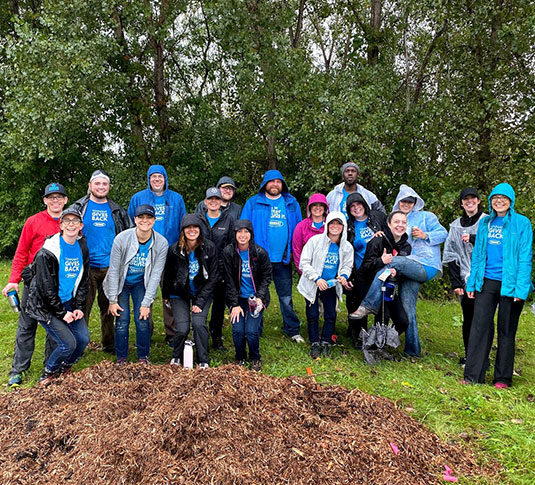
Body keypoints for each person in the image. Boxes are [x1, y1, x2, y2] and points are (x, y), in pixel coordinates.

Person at [351, 185, 448, 357]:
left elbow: (443, 233)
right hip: (407, 267)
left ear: (416, 202)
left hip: (425, 265)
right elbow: (392, 240)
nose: (407, 203)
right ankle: (412, 350)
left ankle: (368, 305)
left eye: (411, 201)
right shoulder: (398, 219)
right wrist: (379, 233)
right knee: (408, 309)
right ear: (398, 202)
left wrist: (426, 235)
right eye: (404, 200)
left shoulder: (427, 216)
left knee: (390, 263)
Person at [463, 183, 532, 389]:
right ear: (491, 201)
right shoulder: (485, 223)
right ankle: (473, 375)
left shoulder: (522, 223)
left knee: (506, 329)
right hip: (487, 281)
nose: (499, 201)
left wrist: (521, 288)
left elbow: (525, 256)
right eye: (495, 197)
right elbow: (477, 255)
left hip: (511, 283)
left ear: (510, 201)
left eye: (503, 198)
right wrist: (473, 282)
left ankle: (502, 378)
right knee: (479, 327)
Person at [3, 182, 67, 388]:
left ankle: (51, 367)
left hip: (57, 284)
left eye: (59, 197)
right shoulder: (34, 221)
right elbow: (22, 252)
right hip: (34, 281)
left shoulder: (71, 222)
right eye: (51, 197)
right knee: (26, 326)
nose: (55, 201)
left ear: (66, 200)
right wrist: (14, 279)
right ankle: (18, 369)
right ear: (45, 201)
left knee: (54, 327)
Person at [24, 208, 90, 386]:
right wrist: (62, 313)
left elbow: (83, 280)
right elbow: (46, 289)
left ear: (81, 226)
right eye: (66, 221)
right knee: (68, 344)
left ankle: (65, 368)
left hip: (68, 301)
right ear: (60, 225)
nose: (71, 224)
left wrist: (78, 307)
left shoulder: (82, 247)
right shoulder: (48, 251)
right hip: (46, 305)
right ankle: (48, 372)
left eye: (75, 221)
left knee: (83, 339)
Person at [70, 170, 132, 353]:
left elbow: (127, 235)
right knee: (82, 307)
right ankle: (79, 345)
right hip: (85, 266)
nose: (101, 187)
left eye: (104, 184)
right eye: (97, 184)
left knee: (109, 308)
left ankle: (109, 344)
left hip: (110, 266)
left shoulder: (117, 210)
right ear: (90, 186)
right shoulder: (78, 208)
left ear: (109, 187)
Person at [241, 170, 304, 342]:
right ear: (265, 184)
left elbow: (298, 231)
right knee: (256, 296)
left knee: (285, 297)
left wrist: (293, 253)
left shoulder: (291, 203)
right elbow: (243, 229)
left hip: (283, 259)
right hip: (259, 259)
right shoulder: (253, 203)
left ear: (282, 184)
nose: (275, 184)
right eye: (271, 181)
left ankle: (292, 329)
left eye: (278, 181)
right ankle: (255, 329)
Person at [128, 165, 187, 344]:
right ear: (148, 179)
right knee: (145, 292)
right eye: (153, 176)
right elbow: (130, 223)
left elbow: (183, 225)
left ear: (165, 179)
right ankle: (146, 330)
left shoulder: (176, 199)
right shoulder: (138, 198)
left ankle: (172, 333)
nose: (156, 180)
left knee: (169, 294)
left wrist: (181, 249)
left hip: (170, 254)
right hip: (145, 254)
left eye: (160, 177)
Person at [103, 205, 168, 364]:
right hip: (121, 282)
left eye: (149, 218)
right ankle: (121, 358)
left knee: (142, 318)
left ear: (154, 220)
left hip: (141, 282)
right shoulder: (122, 239)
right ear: (135, 219)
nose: (144, 221)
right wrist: (112, 300)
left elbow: (155, 275)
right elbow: (114, 270)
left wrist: (147, 303)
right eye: (141, 217)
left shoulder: (161, 243)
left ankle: (143, 357)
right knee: (122, 319)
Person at [162, 213, 219, 368]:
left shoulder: (209, 248)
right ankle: (176, 357)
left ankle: (203, 360)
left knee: (199, 324)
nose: (192, 230)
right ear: (183, 230)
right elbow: (168, 275)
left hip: (202, 292)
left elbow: (213, 277)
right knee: (182, 328)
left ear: (200, 229)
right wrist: (166, 295)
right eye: (188, 227)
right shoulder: (174, 250)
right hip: (179, 293)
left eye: (195, 227)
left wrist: (200, 301)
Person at [297, 212, 353, 358]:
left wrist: (343, 276)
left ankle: (326, 342)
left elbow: (348, 265)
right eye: (332, 223)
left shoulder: (346, 247)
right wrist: (317, 278)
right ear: (327, 225)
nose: (335, 227)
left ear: (343, 226)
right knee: (313, 314)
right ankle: (315, 342)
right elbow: (304, 263)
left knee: (330, 314)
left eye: (339, 224)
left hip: (331, 285)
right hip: (314, 284)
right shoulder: (315, 241)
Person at [443, 188, 486, 365]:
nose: (469, 202)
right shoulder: (455, 226)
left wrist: (474, 238)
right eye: (465, 199)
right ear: (462, 203)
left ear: (478, 201)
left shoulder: (487, 222)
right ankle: (470, 355)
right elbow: (450, 254)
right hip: (464, 278)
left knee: (483, 317)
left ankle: (482, 357)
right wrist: (456, 282)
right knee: (468, 316)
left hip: (485, 276)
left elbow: (493, 246)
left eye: (472, 199)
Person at [223, 219, 272, 371]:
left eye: (246, 232)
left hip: (255, 299)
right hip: (237, 299)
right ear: (234, 234)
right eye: (239, 232)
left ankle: (255, 357)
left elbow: (266, 277)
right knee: (238, 330)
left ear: (251, 234)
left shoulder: (259, 252)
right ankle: (240, 357)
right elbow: (229, 280)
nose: (243, 235)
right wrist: (234, 304)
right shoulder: (228, 252)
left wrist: (260, 297)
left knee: (251, 331)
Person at [358, 210, 412, 336]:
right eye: (396, 222)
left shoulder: (406, 247)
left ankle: (384, 340)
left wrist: (396, 273)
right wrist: (381, 261)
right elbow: (365, 267)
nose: (400, 225)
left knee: (403, 322)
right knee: (384, 316)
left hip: (390, 288)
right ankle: (374, 346)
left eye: (403, 222)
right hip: (372, 286)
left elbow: (404, 271)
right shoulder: (378, 240)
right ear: (388, 224)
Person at [345, 192, 387, 348]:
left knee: (380, 305)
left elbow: (391, 234)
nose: (356, 208)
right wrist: (348, 274)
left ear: (364, 204)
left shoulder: (377, 218)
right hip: (360, 270)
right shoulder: (349, 226)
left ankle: (378, 338)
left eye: (359, 204)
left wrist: (381, 237)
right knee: (359, 304)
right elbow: (345, 250)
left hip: (379, 268)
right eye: (352, 206)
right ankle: (360, 337)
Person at [198, 187, 235, 350]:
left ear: (221, 202)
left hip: (221, 270)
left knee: (219, 306)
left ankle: (217, 337)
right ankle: (198, 334)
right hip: (201, 269)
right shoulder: (198, 219)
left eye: (217, 199)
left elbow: (231, 245)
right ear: (205, 202)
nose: (214, 202)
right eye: (210, 199)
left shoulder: (229, 220)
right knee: (201, 303)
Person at [292, 193, 329, 274]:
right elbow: (297, 250)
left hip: (328, 270)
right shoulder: (301, 226)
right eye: (314, 205)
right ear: (310, 207)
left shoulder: (331, 225)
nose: (317, 208)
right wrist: (302, 271)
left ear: (325, 208)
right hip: (307, 271)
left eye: (321, 205)